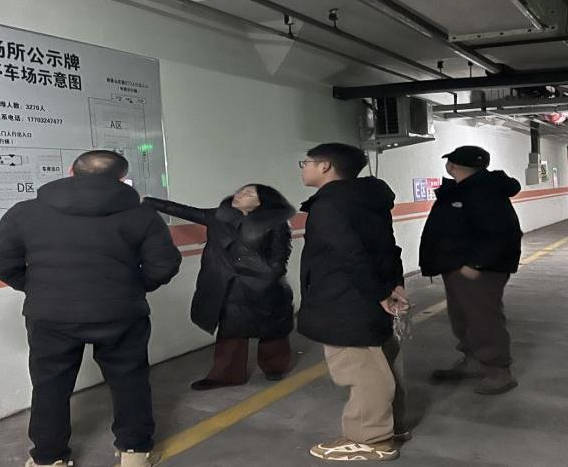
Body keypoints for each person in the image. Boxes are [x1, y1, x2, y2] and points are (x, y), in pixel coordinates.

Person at [0, 150, 182, 467]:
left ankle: (48, 458)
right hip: (121, 314)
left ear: (71, 171)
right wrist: (130, 288)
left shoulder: (26, 212)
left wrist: (36, 288)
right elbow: (164, 265)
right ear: (121, 178)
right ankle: (135, 453)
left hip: (50, 315)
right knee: (129, 380)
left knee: (50, 385)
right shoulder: (142, 215)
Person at [298, 143, 408, 462]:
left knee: (360, 369)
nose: (304, 168)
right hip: (369, 295)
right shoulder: (368, 199)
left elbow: (350, 255)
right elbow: (388, 247)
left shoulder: (329, 205)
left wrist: (379, 293)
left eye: (306, 162)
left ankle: (370, 439)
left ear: (325, 167)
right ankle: (393, 426)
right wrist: (393, 285)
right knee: (380, 361)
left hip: (345, 300)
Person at [143, 184, 296, 390]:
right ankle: (226, 375)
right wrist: (148, 201)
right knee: (230, 332)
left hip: (262, 287)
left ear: (262, 203)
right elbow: (185, 211)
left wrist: (252, 269)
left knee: (272, 332)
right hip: (229, 287)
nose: (240, 194)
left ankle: (275, 367)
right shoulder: (220, 216)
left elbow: (278, 262)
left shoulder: (275, 224)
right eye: (241, 190)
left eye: (249, 194)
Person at [419, 145, 523, 395]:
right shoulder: (463, 190)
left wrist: (476, 264)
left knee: (483, 319)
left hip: (479, 269)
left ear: (453, 165)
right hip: (457, 266)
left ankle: (498, 372)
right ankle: (473, 361)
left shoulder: (484, 191)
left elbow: (504, 233)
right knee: (463, 317)